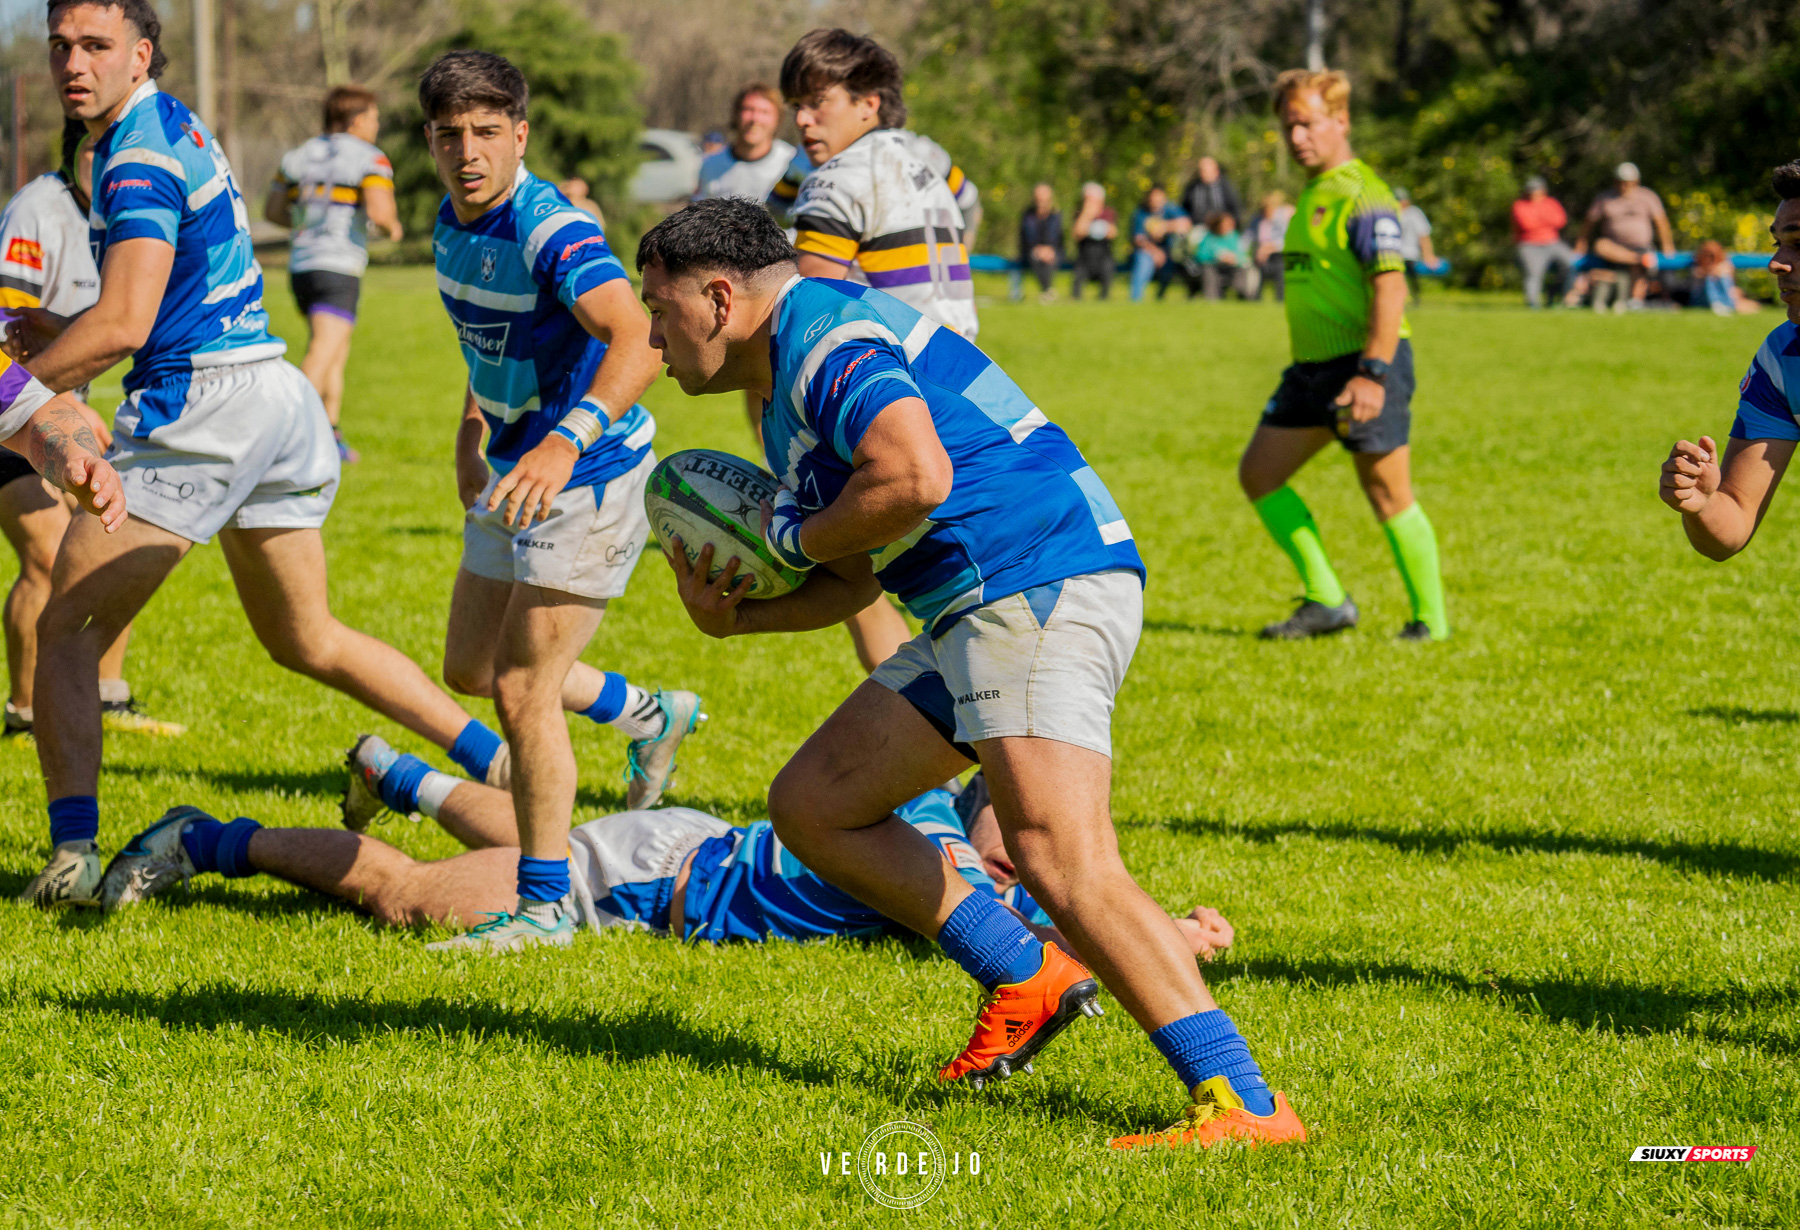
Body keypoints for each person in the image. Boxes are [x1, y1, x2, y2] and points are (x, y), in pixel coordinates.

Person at [636, 196, 1307, 1149]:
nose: (652, 338)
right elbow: (855, 572)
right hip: (976, 602)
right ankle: (1026, 974)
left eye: (658, 311)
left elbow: (916, 477)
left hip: (1029, 580)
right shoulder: (792, 381)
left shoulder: (825, 338)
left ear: (717, 298)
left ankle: (1245, 1104)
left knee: (1060, 856)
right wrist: (737, 617)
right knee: (817, 804)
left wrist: (787, 532)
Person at [11, 0, 517, 908]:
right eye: (58, 46)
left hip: (205, 407)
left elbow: (126, 323)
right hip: (275, 399)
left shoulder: (133, 154)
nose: (72, 64)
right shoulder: (168, 125)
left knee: (65, 630)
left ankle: (72, 861)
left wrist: (16, 392)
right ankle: (497, 758)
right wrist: (63, 332)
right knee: (305, 637)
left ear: (142, 52)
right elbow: (147, 302)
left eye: (94, 45)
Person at [95, 742, 1238, 971]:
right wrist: (1170, 939)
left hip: (667, 854)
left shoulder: (965, 861)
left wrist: (1164, 922)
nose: (1024, 849)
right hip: (651, 877)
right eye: (1009, 825)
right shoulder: (939, 841)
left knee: (552, 841)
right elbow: (1057, 932)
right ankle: (206, 838)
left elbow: (1072, 896)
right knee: (403, 900)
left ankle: (399, 774)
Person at [420, 51, 702, 952]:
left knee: (520, 691)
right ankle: (647, 711)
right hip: (516, 471)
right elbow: (489, 343)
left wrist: (559, 440)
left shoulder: (554, 228)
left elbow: (639, 339)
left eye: (487, 132)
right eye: (450, 134)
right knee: (469, 667)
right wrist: (474, 432)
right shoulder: (447, 223)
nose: (469, 151)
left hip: (585, 475)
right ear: (430, 141)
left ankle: (544, 909)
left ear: (521, 136)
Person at [779, 28, 974, 673]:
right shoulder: (929, 159)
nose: (803, 119)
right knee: (949, 593)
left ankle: (937, 756)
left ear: (869, 103)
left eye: (818, 101)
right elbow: (965, 201)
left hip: (888, 397)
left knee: (849, 566)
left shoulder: (834, 182)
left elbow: (804, 310)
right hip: (965, 381)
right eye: (796, 105)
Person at [1238, 68, 1447, 643]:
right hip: (1311, 370)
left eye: (1306, 123)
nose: (1296, 136)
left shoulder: (1364, 196)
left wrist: (1373, 375)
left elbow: (1391, 288)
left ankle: (1431, 621)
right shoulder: (1312, 192)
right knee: (1259, 474)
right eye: (1288, 127)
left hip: (1365, 366)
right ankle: (1327, 599)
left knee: (1387, 494)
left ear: (1340, 120)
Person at [0, 117, 178, 739]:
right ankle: (24, 711)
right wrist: (59, 403)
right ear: (72, 151)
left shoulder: (124, 213)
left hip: (48, 408)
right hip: (25, 401)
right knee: (47, 558)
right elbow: (10, 325)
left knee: (105, 542)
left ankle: (108, 695)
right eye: (96, 153)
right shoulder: (36, 211)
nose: (108, 166)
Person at [1659, 161, 1800, 556]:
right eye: (1778, 244)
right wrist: (1702, 503)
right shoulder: (1783, 359)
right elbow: (1734, 522)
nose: (1776, 264)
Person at [264, 84, 403, 465]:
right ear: (357, 119)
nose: (376, 126)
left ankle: (329, 431)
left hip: (302, 265)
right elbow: (379, 212)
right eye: (373, 118)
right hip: (339, 265)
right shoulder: (370, 158)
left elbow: (274, 211)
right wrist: (393, 227)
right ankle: (282, 433)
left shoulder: (297, 155)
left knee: (336, 351)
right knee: (323, 350)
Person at [1574, 162, 1674, 312]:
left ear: (1636, 182)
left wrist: (1667, 244)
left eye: (1628, 183)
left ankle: (1635, 300)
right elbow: (1588, 223)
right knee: (1601, 245)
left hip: (1641, 245)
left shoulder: (1647, 197)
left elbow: (1661, 222)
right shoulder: (1604, 198)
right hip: (1615, 247)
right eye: (1620, 183)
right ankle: (1638, 259)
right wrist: (1581, 243)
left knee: (1640, 262)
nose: (1624, 186)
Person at [694, 83, 795, 206]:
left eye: (764, 112)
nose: (755, 119)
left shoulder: (792, 163)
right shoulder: (710, 165)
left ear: (778, 119)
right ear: (735, 114)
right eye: (748, 109)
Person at [1511, 176, 1575, 309]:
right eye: (1531, 190)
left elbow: (1561, 221)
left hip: (1552, 242)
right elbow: (1527, 224)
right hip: (1529, 244)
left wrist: (1538, 219)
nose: (1534, 192)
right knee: (1534, 273)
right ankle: (1533, 303)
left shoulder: (1551, 203)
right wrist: (1546, 219)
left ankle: (1556, 295)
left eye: (1536, 189)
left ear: (1543, 190)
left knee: (1571, 264)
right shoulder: (1519, 205)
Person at [1129, 184, 1190, 302]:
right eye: (1153, 198)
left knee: (1171, 265)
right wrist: (1155, 252)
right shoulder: (1140, 213)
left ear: (1164, 198)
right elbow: (1138, 239)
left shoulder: (1170, 210)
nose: (1156, 201)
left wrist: (1165, 227)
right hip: (1146, 251)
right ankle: (1136, 299)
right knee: (1143, 261)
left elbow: (1186, 224)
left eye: (1159, 198)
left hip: (1168, 251)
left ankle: (1160, 298)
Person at [1069, 182, 1117, 301]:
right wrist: (1087, 215)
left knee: (1108, 268)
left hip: (1103, 255)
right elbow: (1077, 233)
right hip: (1084, 257)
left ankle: (1104, 298)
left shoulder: (1108, 213)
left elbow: (1113, 233)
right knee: (1078, 274)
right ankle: (1076, 299)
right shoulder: (1079, 213)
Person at [1017, 182, 1063, 302]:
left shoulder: (1056, 215)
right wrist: (1038, 249)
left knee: (1049, 259)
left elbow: (1057, 238)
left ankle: (1046, 291)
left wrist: (1049, 249)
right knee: (1036, 257)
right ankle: (1047, 290)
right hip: (1032, 251)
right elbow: (1026, 237)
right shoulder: (1028, 215)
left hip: (1052, 251)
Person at [1196, 211, 1257, 300]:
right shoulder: (1209, 237)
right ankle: (1211, 299)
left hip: (1232, 267)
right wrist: (1217, 257)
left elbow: (1243, 256)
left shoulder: (1233, 237)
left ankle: (1243, 296)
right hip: (1214, 267)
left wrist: (1234, 259)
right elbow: (1201, 255)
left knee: (1243, 270)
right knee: (1208, 270)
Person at [1689, 240, 1758, 316]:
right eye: (1706, 255)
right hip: (1701, 299)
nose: (1708, 258)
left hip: (1725, 295)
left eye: (1711, 256)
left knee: (1722, 278)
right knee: (1710, 278)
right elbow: (1697, 276)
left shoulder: (1724, 264)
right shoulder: (1696, 265)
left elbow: (1730, 283)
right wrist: (1711, 272)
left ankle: (1724, 304)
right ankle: (1720, 304)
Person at [1393, 188, 1438, 300]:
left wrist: (1428, 255)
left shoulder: (1414, 213)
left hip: (1410, 253)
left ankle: (1415, 299)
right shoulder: (1391, 212)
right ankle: (1402, 298)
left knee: (1412, 279)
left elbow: (1423, 235)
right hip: (1394, 253)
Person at [1251, 190, 1294, 301]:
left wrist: (1269, 248)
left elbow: (1287, 241)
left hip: (1279, 255)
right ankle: (1255, 299)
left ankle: (1280, 298)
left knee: (1280, 265)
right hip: (1260, 256)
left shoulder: (1282, 220)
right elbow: (1248, 238)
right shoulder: (1257, 221)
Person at [1179, 156, 1241, 233]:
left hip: (1222, 228)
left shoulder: (1226, 187)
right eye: (1201, 170)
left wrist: (1229, 222)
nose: (1204, 174)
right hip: (1198, 228)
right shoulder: (1192, 187)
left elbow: (1236, 210)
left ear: (1216, 171)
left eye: (1206, 171)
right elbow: (1184, 209)